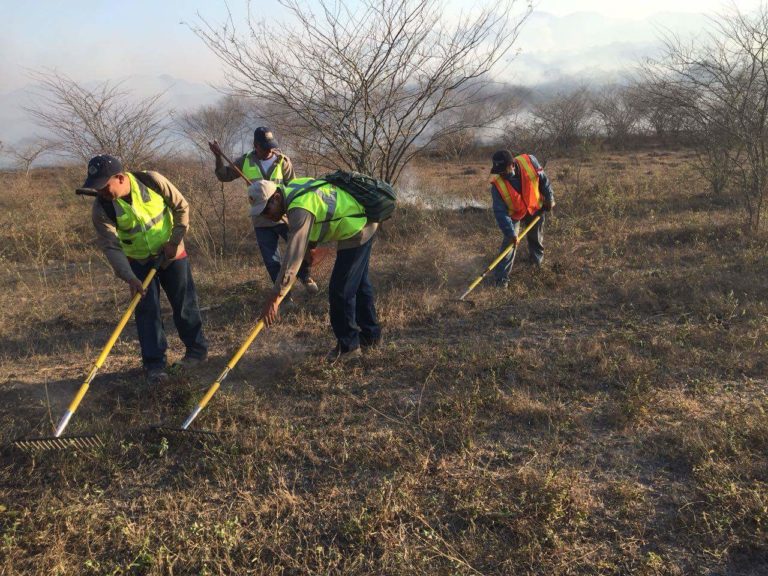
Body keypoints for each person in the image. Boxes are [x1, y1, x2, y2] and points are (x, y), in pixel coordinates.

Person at [86, 154, 209, 383]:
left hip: (172, 254)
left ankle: (196, 351)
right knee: (147, 312)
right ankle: (154, 365)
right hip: (138, 263)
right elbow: (111, 247)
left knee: (184, 303)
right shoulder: (101, 209)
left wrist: (175, 240)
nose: (100, 192)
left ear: (120, 178)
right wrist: (129, 277)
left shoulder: (152, 181)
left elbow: (181, 206)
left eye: (104, 187)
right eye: (96, 188)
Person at [250, 177, 381, 362]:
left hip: (359, 227)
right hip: (359, 223)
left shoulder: (298, 207)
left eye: (266, 210)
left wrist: (275, 297)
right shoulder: (293, 190)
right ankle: (371, 336)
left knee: (340, 290)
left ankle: (349, 347)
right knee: (358, 283)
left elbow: (292, 259)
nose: (265, 216)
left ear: (277, 197)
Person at [209, 127, 318, 294]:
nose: (270, 150)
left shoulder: (283, 161)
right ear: (255, 145)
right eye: (265, 147)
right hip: (261, 220)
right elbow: (223, 175)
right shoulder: (244, 161)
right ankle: (283, 295)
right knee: (272, 260)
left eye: (271, 146)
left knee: (298, 248)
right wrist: (217, 156)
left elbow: (293, 188)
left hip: (283, 217)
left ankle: (305, 277)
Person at [489, 149, 555, 287]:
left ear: (512, 164)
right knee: (509, 245)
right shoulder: (497, 186)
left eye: (503, 170)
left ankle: (536, 266)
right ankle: (501, 281)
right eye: (498, 171)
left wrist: (549, 197)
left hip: (535, 208)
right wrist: (511, 232)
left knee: (536, 238)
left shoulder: (529, 161)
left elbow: (544, 180)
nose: (501, 174)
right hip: (514, 214)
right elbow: (500, 212)